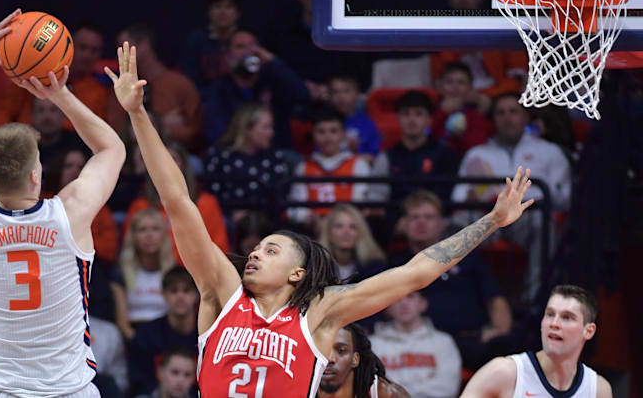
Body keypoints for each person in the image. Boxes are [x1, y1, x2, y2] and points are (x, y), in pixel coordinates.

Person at [106, 41, 534, 398]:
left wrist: (492, 221)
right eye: (256, 248)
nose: (253, 254)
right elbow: (178, 200)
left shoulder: (321, 313)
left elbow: (414, 273)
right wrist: (138, 115)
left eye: (269, 250)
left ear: (297, 272)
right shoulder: (222, 291)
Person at [0, 10, 125, 396]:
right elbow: (112, 148)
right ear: (35, 176)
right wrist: (59, 93)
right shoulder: (70, 214)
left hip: (2, 391)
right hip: (70, 390)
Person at [451, 92, 571, 300]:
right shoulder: (477, 154)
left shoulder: (549, 151)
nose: (507, 117)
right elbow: (458, 196)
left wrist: (526, 199)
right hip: (486, 218)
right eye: (501, 113)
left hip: (527, 216)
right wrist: (468, 198)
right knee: (455, 222)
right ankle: (460, 297)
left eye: (513, 112)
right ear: (494, 120)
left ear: (526, 117)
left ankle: (537, 299)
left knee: (543, 225)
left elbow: (563, 198)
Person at [392, 190, 515, 370]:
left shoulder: (467, 256)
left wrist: (499, 330)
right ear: (403, 224)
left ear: (442, 223)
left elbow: (494, 297)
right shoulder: (396, 265)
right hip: (419, 343)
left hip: (469, 340)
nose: (420, 222)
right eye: (414, 217)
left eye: (428, 217)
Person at [460, 285, 613, 398]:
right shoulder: (504, 372)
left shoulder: (597, 389)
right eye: (550, 314)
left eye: (567, 317)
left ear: (588, 331)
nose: (554, 323)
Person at [0, 22, 110, 132]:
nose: (88, 55)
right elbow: (3, 113)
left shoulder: (99, 90)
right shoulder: (33, 73)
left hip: (73, 150)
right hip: (28, 144)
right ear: (69, 47)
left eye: (94, 50)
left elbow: (99, 131)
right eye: (83, 47)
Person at [203, 27, 309, 148]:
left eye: (252, 46)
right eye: (240, 47)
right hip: (235, 152)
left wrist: (272, 60)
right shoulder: (219, 89)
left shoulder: (273, 81)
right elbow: (215, 133)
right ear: (227, 56)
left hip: (275, 152)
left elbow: (302, 94)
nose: (248, 52)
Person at [113, 24, 204, 153]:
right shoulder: (119, 88)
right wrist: (160, 125)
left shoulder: (180, 84)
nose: (119, 56)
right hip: (130, 158)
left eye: (123, 49)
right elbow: (115, 130)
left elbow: (196, 132)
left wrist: (163, 129)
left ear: (143, 45)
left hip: (174, 155)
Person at [369, 91, 460, 204]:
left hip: (434, 218)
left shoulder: (445, 154)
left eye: (418, 114)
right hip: (396, 219)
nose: (411, 119)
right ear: (398, 118)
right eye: (406, 114)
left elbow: (445, 198)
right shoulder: (386, 157)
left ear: (429, 120)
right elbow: (377, 199)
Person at [204, 102, 290, 218]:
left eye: (271, 127)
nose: (271, 133)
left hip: (268, 222)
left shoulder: (274, 158)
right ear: (247, 129)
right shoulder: (220, 158)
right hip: (227, 221)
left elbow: (281, 197)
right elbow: (211, 197)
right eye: (266, 127)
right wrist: (229, 216)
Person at [288, 107, 371, 227]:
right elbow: (296, 208)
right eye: (321, 131)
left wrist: (335, 224)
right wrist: (308, 218)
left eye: (333, 131)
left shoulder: (358, 165)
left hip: (348, 228)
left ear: (343, 134)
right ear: (313, 135)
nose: (327, 137)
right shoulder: (303, 167)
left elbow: (360, 204)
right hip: (312, 230)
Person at [370, 290, 461, 398]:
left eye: (410, 296)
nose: (404, 303)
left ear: (423, 303)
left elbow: (448, 387)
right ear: (388, 306)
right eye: (397, 298)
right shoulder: (372, 344)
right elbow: (372, 387)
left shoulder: (443, 341)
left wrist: (400, 393)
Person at [128, 267, 200, 396]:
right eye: (174, 291)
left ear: (196, 294)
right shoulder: (146, 334)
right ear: (164, 294)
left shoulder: (207, 335)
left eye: (186, 290)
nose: (180, 296)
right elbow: (139, 381)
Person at [111, 209, 176, 341]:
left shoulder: (174, 272)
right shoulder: (119, 273)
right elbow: (122, 324)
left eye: (155, 229)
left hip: (168, 339)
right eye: (142, 230)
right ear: (133, 236)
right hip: (133, 339)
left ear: (164, 235)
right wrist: (143, 345)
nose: (149, 235)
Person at [318, 324, 411, 398]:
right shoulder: (304, 389)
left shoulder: (386, 393)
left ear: (355, 359)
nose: (330, 359)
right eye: (322, 349)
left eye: (341, 350)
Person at [180, 0, 242, 92]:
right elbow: (189, 76)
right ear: (209, 11)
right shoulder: (197, 40)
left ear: (238, 12)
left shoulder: (246, 39)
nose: (223, 12)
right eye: (217, 6)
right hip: (204, 100)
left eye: (228, 7)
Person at [431, 62, 496, 156]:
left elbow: (476, 149)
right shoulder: (430, 111)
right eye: (449, 82)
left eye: (461, 82)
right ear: (439, 87)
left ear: (470, 88)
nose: (455, 87)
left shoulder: (474, 115)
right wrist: (442, 113)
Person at [318, 204, 387, 283]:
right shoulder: (317, 268)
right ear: (328, 233)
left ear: (360, 233)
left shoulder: (374, 267)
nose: (346, 232)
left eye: (352, 227)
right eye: (339, 226)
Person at [328, 75, 382, 160]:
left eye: (346, 91)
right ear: (330, 97)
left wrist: (354, 156)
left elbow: (374, 156)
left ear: (357, 95)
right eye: (335, 92)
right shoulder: (325, 123)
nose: (341, 96)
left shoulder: (367, 123)